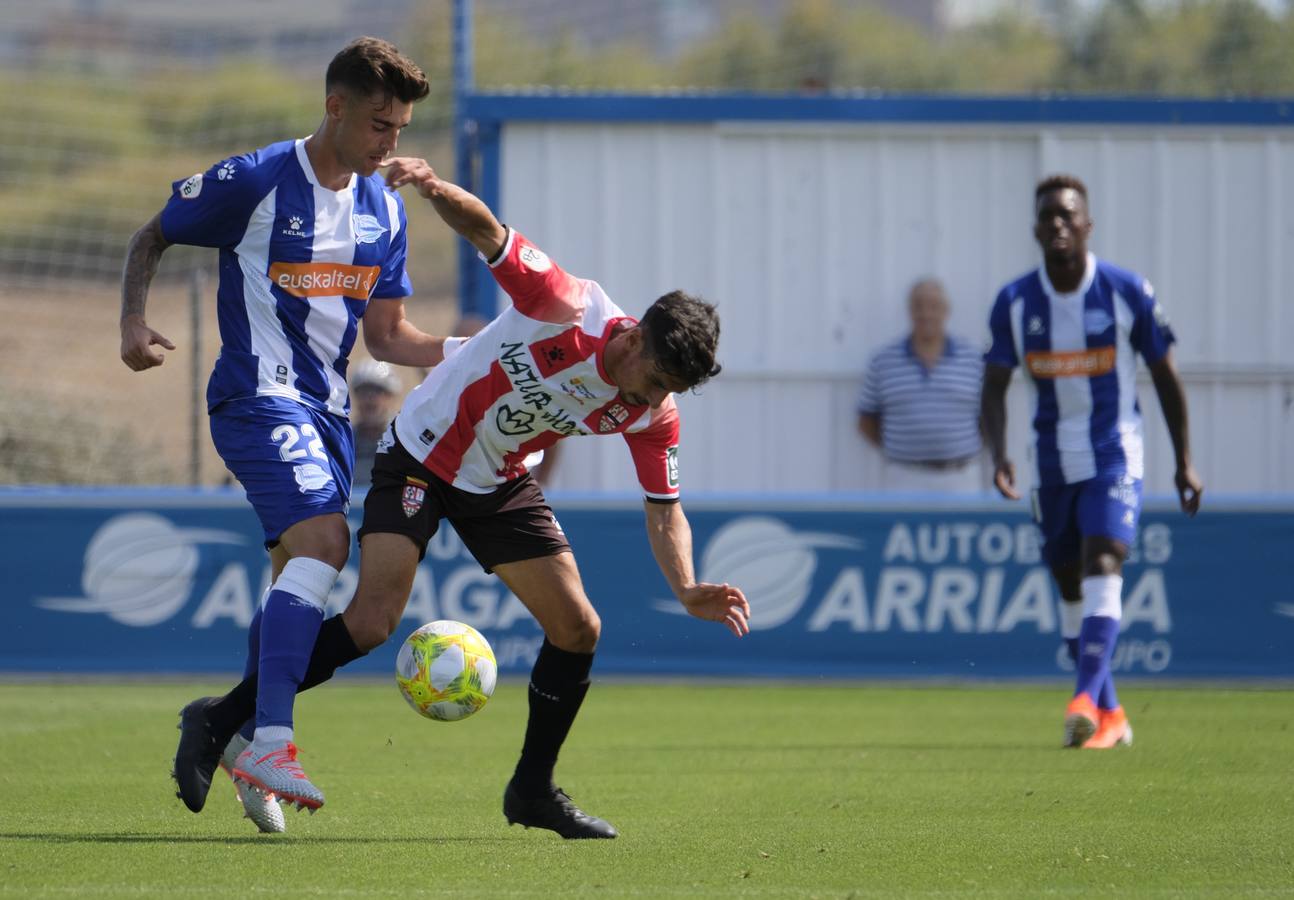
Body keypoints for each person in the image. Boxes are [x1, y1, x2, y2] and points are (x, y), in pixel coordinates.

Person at [171, 160, 751, 838]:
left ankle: (532, 791)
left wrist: (684, 586)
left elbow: (664, 509)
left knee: (578, 629)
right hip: (419, 454)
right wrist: (431, 185)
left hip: (497, 480)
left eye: (665, 391)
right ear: (631, 336)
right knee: (373, 620)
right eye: (652, 379)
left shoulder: (655, 411)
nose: (649, 401)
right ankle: (220, 718)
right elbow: (490, 234)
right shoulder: (565, 304)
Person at [120, 37, 452, 831]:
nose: (390, 143)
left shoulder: (384, 208)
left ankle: (232, 737)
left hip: (328, 415)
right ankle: (272, 738)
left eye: (401, 128)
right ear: (335, 107)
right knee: (325, 545)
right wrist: (133, 321)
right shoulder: (257, 180)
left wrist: (469, 352)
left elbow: (389, 338)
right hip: (256, 398)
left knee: (290, 584)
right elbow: (151, 235)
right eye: (379, 124)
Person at [981, 174, 1202, 750]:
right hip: (1051, 463)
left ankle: (1082, 701)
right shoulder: (1014, 302)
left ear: (1087, 226)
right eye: (1047, 216)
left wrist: (1185, 462)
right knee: (1066, 582)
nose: (1057, 223)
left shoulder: (1127, 292)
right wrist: (999, 453)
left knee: (1102, 559)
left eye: (1067, 214)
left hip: (1114, 455)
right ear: (1035, 230)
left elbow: (1166, 377)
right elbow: (994, 384)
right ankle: (1112, 714)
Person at [856, 278, 985, 493]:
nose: (926, 314)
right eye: (919, 306)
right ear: (909, 311)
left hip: (960, 478)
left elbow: (989, 416)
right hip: (904, 478)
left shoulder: (974, 359)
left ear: (946, 311)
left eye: (934, 306)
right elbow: (866, 420)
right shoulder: (882, 361)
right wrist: (902, 448)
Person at [350, 359, 404, 489]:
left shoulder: (402, 439)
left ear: (391, 396)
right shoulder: (345, 441)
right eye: (363, 391)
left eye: (378, 391)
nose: (369, 398)